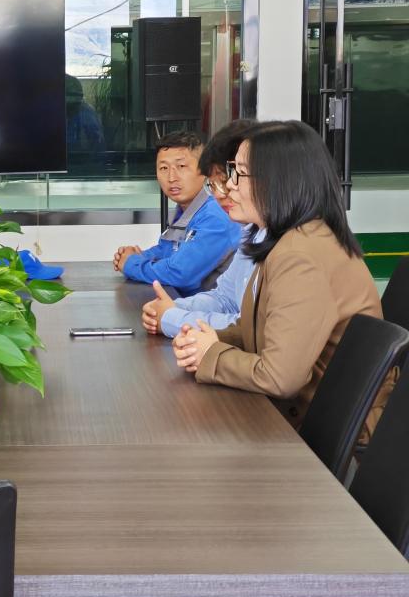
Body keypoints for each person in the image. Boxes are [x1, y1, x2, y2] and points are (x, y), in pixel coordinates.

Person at [172, 120, 382, 430]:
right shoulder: (285, 240)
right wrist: (206, 341)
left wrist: (211, 354)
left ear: (279, 182)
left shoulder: (300, 256)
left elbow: (279, 377)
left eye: (240, 173)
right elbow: (257, 328)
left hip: (324, 432)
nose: (230, 186)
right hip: (305, 415)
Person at [142, 120, 264, 338]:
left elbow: (247, 326)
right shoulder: (251, 231)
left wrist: (171, 317)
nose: (223, 192)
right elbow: (225, 298)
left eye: (232, 178)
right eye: (214, 184)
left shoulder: (222, 218)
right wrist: (171, 308)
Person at [113, 131, 241, 296]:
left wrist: (131, 264)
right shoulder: (186, 209)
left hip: (215, 310)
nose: (171, 177)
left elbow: (180, 274)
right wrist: (137, 256)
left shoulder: (215, 215)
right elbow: (167, 250)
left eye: (181, 166)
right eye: (163, 168)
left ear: (204, 170)